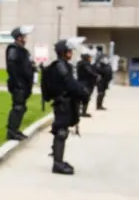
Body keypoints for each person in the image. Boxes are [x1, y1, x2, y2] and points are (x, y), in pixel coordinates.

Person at [41, 38, 90, 175]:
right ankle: (57, 164)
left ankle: (58, 159)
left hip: (64, 102)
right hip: (63, 103)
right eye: (69, 51)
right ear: (63, 52)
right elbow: (69, 84)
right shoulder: (61, 66)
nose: (71, 53)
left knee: (62, 131)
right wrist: (83, 92)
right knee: (61, 132)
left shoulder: (62, 65)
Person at [5, 25, 34, 141]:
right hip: (18, 84)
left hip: (25, 84)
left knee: (22, 107)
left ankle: (16, 130)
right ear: (18, 38)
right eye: (23, 36)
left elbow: (25, 65)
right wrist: (17, 83)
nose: (25, 38)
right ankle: (11, 132)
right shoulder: (13, 49)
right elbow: (11, 66)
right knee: (18, 107)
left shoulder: (23, 50)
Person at [76, 51, 100, 117]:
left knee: (80, 98)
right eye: (90, 57)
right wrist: (96, 75)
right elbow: (89, 72)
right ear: (87, 58)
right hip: (86, 83)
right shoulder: (86, 64)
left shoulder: (79, 64)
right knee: (86, 98)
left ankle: (77, 111)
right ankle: (83, 112)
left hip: (80, 82)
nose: (91, 59)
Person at [94, 46, 113, 110]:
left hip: (105, 81)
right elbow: (98, 70)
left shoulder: (107, 65)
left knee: (103, 93)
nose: (106, 59)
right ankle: (98, 106)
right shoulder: (99, 64)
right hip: (101, 80)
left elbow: (109, 72)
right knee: (101, 93)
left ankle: (100, 105)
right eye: (104, 59)